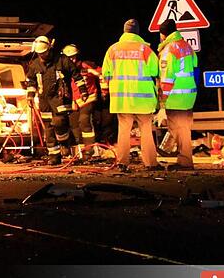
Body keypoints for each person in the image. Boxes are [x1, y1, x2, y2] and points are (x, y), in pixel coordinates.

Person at [101, 19, 161, 172]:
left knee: (123, 131)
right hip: (143, 99)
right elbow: (156, 71)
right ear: (137, 33)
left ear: (124, 31)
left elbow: (105, 74)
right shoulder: (145, 50)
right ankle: (150, 164)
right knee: (146, 131)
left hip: (122, 99)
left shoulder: (112, 50)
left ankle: (122, 162)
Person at [25, 36, 77, 165]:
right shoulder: (35, 64)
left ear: (50, 48)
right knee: (48, 128)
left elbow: (76, 74)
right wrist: (30, 95)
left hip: (60, 98)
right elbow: (31, 81)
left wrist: (83, 91)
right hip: (44, 100)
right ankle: (54, 156)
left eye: (44, 53)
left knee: (59, 122)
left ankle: (65, 143)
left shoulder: (62, 60)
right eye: (39, 53)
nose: (42, 56)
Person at [155, 19, 198, 170]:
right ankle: (184, 159)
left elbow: (167, 78)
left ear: (163, 34)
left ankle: (185, 161)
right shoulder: (186, 46)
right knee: (184, 128)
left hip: (176, 95)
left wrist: (162, 103)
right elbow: (195, 64)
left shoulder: (168, 50)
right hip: (189, 93)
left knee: (179, 129)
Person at [62, 44, 101, 161]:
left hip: (89, 99)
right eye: (69, 58)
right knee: (74, 124)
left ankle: (90, 150)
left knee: (84, 120)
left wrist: (91, 71)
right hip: (76, 102)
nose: (71, 60)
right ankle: (81, 151)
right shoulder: (64, 70)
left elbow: (101, 74)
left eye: (73, 57)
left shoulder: (86, 65)